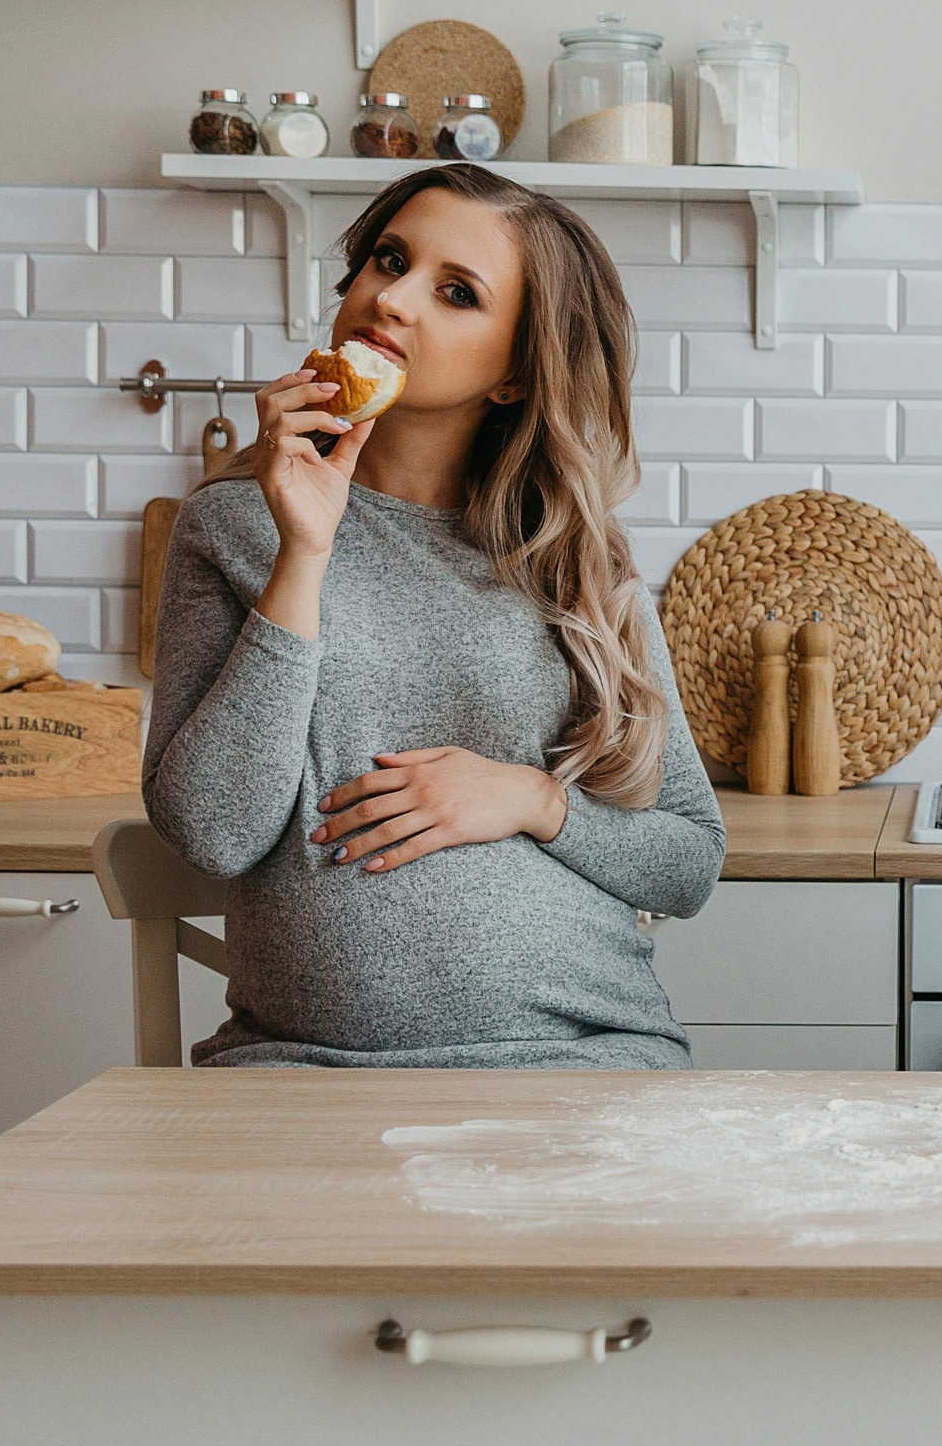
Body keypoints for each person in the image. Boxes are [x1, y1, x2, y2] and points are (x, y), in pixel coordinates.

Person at [144, 163, 726, 1068]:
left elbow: (688, 862)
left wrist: (533, 800)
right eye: (388, 259)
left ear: (514, 375)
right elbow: (212, 830)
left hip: (582, 1053)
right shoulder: (233, 523)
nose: (393, 299)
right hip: (300, 1065)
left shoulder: (570, 556)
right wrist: (304, 552)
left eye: (456, 293)